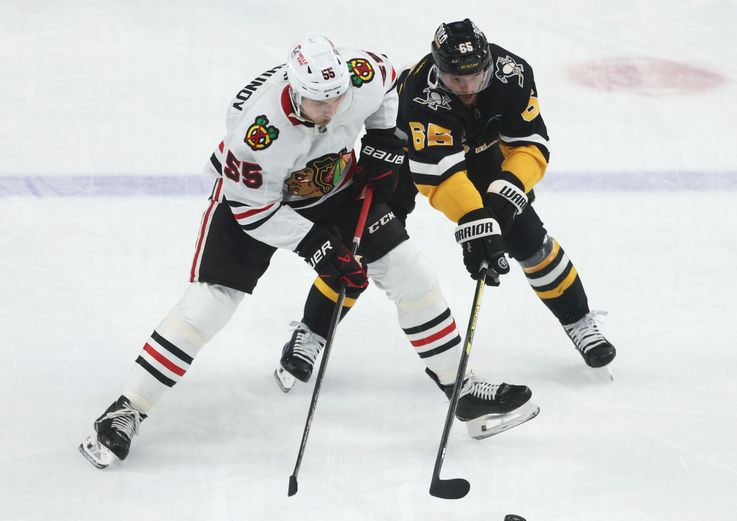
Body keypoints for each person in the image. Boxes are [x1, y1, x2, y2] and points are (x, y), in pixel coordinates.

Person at [79, 36, 538, 469]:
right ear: (295, 92)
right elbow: (252, 210)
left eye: (338, 98)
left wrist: (382, 139)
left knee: (410, 270)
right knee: (210, 304)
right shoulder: (257, 135)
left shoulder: (358, 75)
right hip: (255, 202)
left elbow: (388, 88)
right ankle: (126, 410)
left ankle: (462, 390)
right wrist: (315, 244)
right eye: (320, 102)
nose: (332, 109)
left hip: (335, 186)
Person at [279, 20, 615, 392]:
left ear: (488, 61)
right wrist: (476, 221)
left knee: (529, 240)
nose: (467, 88)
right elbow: (439, 173)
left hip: (482, 153)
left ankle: (579, 321)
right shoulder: (423, 93)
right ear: (440, 71)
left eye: (475, 76)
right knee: (362, 247)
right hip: (408, 160)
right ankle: (311, 333)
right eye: (456, 79)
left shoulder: (513, 74)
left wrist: (511, 186)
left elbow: (531, 141)